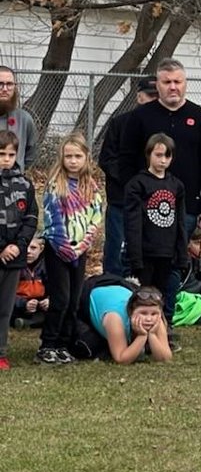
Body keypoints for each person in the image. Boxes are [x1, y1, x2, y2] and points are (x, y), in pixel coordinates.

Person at [117, 57, 201, 242]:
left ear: (185, 84)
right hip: (146, 206)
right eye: (167, 82)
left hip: (187, 208)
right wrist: (134, 197)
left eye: (177, 82)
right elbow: (126, 160)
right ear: (158, 85)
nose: (173, 87)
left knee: (179, 259)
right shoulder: (140, 117)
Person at [37, 133, 104, 366]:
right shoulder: (56, 185)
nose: (73, 161)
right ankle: (48, 344)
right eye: (68, 156)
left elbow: (96, 218)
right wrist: (64, 247)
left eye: (78, 156)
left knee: (74, 300)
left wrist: (82, 245)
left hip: (80, 250)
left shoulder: (91, 187)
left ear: (86, 158)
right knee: (61, 299)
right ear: (62, 158)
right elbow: (52, 219)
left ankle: (64, 344)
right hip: (58, 250)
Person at [124, 133, 188, 340]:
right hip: (145, 251)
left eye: (167, 156)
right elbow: (132, 223)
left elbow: (180, 222)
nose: (163, 160)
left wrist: (182, 253)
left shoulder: (177, 185)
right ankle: (138, 333)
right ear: (148, 155)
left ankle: (163, 331)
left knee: (164, 294)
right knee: (143, 295)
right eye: (158, 155)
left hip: (167, 251)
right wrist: (135, 256)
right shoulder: (137, 184)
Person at [98, 75, 158, 275]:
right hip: (121, 199)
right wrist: (133, 181)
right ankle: (112, 283)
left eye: (157, 96)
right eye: (149, 96)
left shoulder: (166, 126)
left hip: (156, 200)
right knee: (117, 249)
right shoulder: (120, 123)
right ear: (139, 97)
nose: (153, 100)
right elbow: (107, 159)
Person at [0, 130, 38, 370]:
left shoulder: (24, 184)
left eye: (11, 154)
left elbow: (31, 218)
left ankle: (1, 352)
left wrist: (18, 245)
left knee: (5, 308)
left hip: (14, 258)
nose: (6, 159)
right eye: (1, 154)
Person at [85, 282, 173, 364]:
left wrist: (152, 335)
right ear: (131, 312)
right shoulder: (114, 318)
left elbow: (166, 358)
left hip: (120, 290)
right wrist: (142, 336)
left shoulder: (157, 319)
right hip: (93, 292)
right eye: (143, 313)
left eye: (154, 313)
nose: (149, 319)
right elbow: (121, 359)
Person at [0, 66, 38, 172]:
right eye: (0, 84)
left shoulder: (24, 119)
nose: (5, 89)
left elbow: (31, 154)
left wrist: (17, 171)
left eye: (9, 84)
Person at [12, 237, 48, 328]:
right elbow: (6, 293)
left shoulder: (46, 265)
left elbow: (54, 287)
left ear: (41, 249)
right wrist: (24, 304)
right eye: (25, 247)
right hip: (19, 305)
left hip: (38, 305)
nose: (28, 251)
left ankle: (25, 322)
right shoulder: (14, 265)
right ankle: (23, 321)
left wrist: (48, 300)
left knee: (52, 314)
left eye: (33, 248)